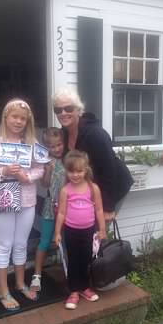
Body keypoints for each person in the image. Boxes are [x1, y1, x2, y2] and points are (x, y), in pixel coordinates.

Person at [0, 98, 44, 311]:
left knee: (21, 243)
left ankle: (19, 283)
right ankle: (3, 290)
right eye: (14, 117)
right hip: (5, 197)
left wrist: (28, 176)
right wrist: (4, 171)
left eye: (23, 118)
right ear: (6, 117)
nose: (18, 121)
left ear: (28, 121)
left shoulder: (32, 144)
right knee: (4, 244)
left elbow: (40, 168)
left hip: (27, 199)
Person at [52, 86, 134, 222]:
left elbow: (109, 170)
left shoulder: (95, 134)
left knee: (96, 229)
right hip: (89, 189)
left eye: (68, 108)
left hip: (113, 186)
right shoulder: (64, 133)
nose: (63, 113)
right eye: (58, 110)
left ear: (78, 109)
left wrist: (108, 207)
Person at [53, 150, 106, 310]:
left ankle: (84, 287)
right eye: (71, 171)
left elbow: (99, 210)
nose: (75, 175)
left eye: (79, 171)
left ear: (86, 170)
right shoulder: (65, 190)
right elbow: (61, 213)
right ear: (66, 171)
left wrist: (102, 229)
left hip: (89, 231)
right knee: (73, 261)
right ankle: (73, 291)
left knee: (86, 259)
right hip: (71, 231)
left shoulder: (93, 188)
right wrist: (57, 232)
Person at [29, 127, 66, 293]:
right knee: (44, 241)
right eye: (52, 146)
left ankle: (70, 271)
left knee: (66, 240)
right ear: (46, 147)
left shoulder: (68, 159)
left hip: (68, 207)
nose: (57, 149)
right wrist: (48, 170)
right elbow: (44, 184)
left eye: (59, 144)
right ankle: (37, 275)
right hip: (51, 206)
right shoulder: (46, 162)